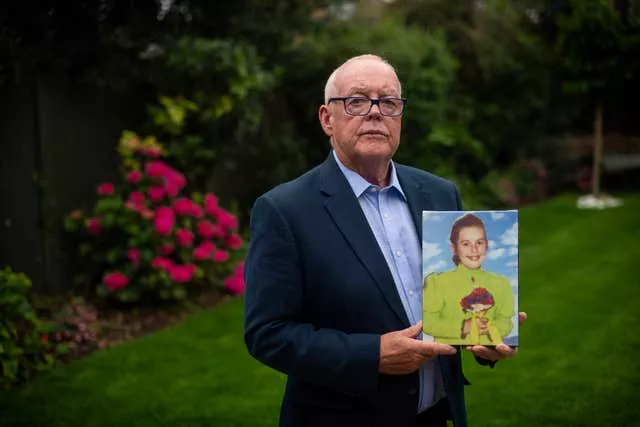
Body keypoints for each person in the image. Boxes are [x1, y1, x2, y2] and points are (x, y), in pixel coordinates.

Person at [243, 54, 526, 427]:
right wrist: (372, 355)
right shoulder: (285, 210)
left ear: (400, 119)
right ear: (328, 119)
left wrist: (485, 341)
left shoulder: (439, 193)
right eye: (357, 101)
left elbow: (456, 302)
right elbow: (268, 333)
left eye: (389, 102)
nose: (376, 112)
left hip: (438, 416)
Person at [422, 213, 516, 346]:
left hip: (489, 352)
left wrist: (491, 328)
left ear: (486, 245)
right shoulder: (437, 282)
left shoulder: (501, 283)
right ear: (454, 248)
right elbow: (428, 323)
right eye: (466, 244)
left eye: (479, 242)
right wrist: (463, 326)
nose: (474, 249)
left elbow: (506, 321)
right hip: (446, 358)